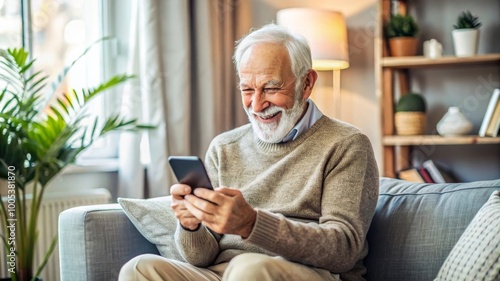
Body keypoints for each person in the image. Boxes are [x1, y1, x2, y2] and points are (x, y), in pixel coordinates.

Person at [119, 23, 379, 281]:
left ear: (307, 83)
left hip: (308, 273)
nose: (256, 104)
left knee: (249, 269)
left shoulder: (346, 144)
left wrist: (251, 224)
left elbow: (343, 249)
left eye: (271, 88)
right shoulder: (224, 147)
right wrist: (191, 224)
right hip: (224, 273)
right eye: (247, 89)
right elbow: (202, 259)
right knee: (140, 268)